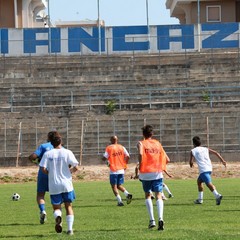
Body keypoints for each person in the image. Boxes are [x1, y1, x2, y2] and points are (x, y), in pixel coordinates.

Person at [39, 134, 79, 235]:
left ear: (51, 143)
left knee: (57, 208)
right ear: (60, 141)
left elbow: (42, 168)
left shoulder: (48, 154)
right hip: (67, 184)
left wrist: (50, 173)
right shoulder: (67, 152)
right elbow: (76, 167)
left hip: (54, 185)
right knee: (68, 206)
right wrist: (69, 171)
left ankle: (58, 217)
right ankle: (70, 230)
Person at [137, 125, 168, 231]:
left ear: (143, 134)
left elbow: (141, 154)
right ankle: (161, 218)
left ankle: (152, 220)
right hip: (157, 172)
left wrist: (140, 165)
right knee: (159, 195)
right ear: (152, 134)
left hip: (146, 172)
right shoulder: (158, 143)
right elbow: (166, 158)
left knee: (148, 195)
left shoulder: (141, 143)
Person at [29, 130, 60, 224]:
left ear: (48, 138)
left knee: (40, 194)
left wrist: (35, 161)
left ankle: (43, 210)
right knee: (55, 195)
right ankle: (58, 214)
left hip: (43, 172)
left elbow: (33, 156)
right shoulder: (60, 147)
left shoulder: (44, 146)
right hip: (55, 174)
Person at [189, 136, 227, 205]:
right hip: (209, 168)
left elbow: (191, 161)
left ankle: (217, 195)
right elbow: (216, 153)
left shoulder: (193, 151)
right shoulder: (205, 148)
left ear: (193, 143)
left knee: (208, 183)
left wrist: (191, 164)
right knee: (199, 182)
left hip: (203, 169)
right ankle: (200, 200)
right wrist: (223, 161)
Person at [102, 135, 133, 206]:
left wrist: (103, 159)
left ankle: (120, 201)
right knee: (119, 185)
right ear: (117, 140)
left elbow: (104, 157)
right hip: (121, 169)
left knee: (114, 186)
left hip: (114, 170)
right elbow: (128, 156)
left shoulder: (109, 148)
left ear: (111, 140)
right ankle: (127, 194)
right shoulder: (122, 147)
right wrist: (125, 164)